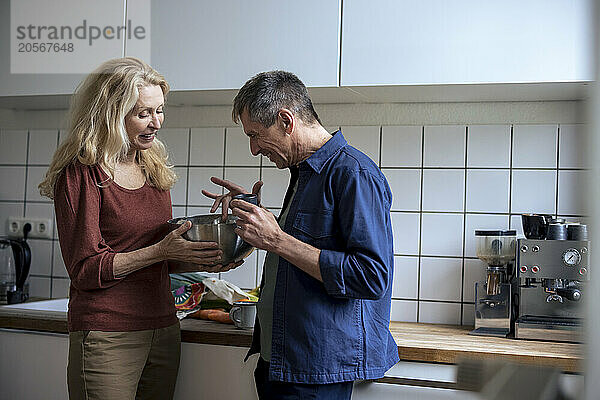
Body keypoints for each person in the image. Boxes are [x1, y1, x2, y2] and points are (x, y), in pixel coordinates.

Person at [39, 57, 236, 400]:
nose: (156, 123)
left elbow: (159, 258)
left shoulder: (152, 164)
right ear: (111, 113)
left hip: (162, 326)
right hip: (106, 333)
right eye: (143, 113)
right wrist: (161, 251)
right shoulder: (82, 172)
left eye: (160, 110)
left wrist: (209, 258)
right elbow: (85, 269)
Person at [203, 71, 399, 399]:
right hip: (282, 360)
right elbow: (301, 250)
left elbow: (371, 276)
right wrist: (252, 212)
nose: (253, 149)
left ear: (285, 120)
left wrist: (277, 239)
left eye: (256, 135)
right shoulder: (304, 174)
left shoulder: (353, 173)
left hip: (315, 369)